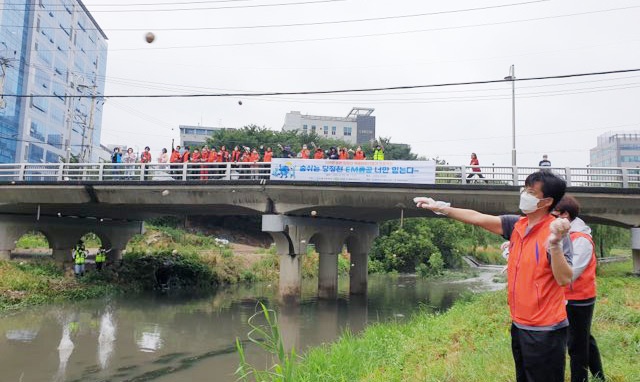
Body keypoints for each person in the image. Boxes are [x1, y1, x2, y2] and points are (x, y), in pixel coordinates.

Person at [415, 170, 573, 382]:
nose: (524, 194)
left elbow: (564, 278)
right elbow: (477, 217)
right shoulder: (517, 225)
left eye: (531, 191)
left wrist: (554, 244)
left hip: (546, 330)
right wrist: (442, 208)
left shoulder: (555, 232)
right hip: (520, 324)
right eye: (525, 189)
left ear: (547, 201)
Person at [552, 196, 605, 382]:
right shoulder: (568, 235)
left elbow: (570, 274)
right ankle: (599, 376)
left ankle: (580, 379)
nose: (550, 218)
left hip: (580, 299)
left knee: (577, 345)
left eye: (554, 214)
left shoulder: (580, 239)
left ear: (565, 215)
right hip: (569, 297)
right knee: (584, 340)